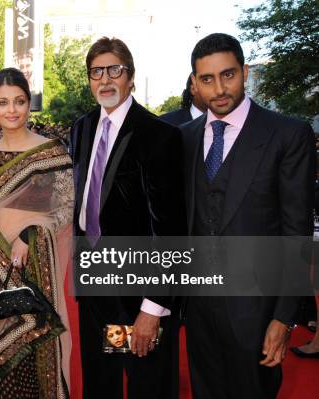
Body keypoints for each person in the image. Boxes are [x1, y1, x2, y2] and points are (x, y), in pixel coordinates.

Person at [181, 33, 315, 398]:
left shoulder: (287, 135)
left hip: (256, 311)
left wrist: (284, 317)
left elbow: (296, 234)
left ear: (243, 72)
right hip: (198, 309)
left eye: (228, 75)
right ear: (195, 83)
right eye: (207, 79)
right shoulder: (184, 138)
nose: (219, 88)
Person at [69, 37, 186, 399]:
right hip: (95, 285)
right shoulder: (82, 128)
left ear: (131, 77)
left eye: (114, 70)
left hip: (138, 290)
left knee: (145, 383)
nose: (105, 80)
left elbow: (170, 231)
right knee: (101, 380)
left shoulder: (159, 136)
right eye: (96, 72)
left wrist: (153, 307)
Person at [0, 68, 74, 398]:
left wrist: (32, 233)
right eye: (2, 102)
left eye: (19, 101)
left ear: (30, 104)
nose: (11, 110)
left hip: (37, 266)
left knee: (38, 347)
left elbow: (66, 208)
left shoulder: (52, 153)